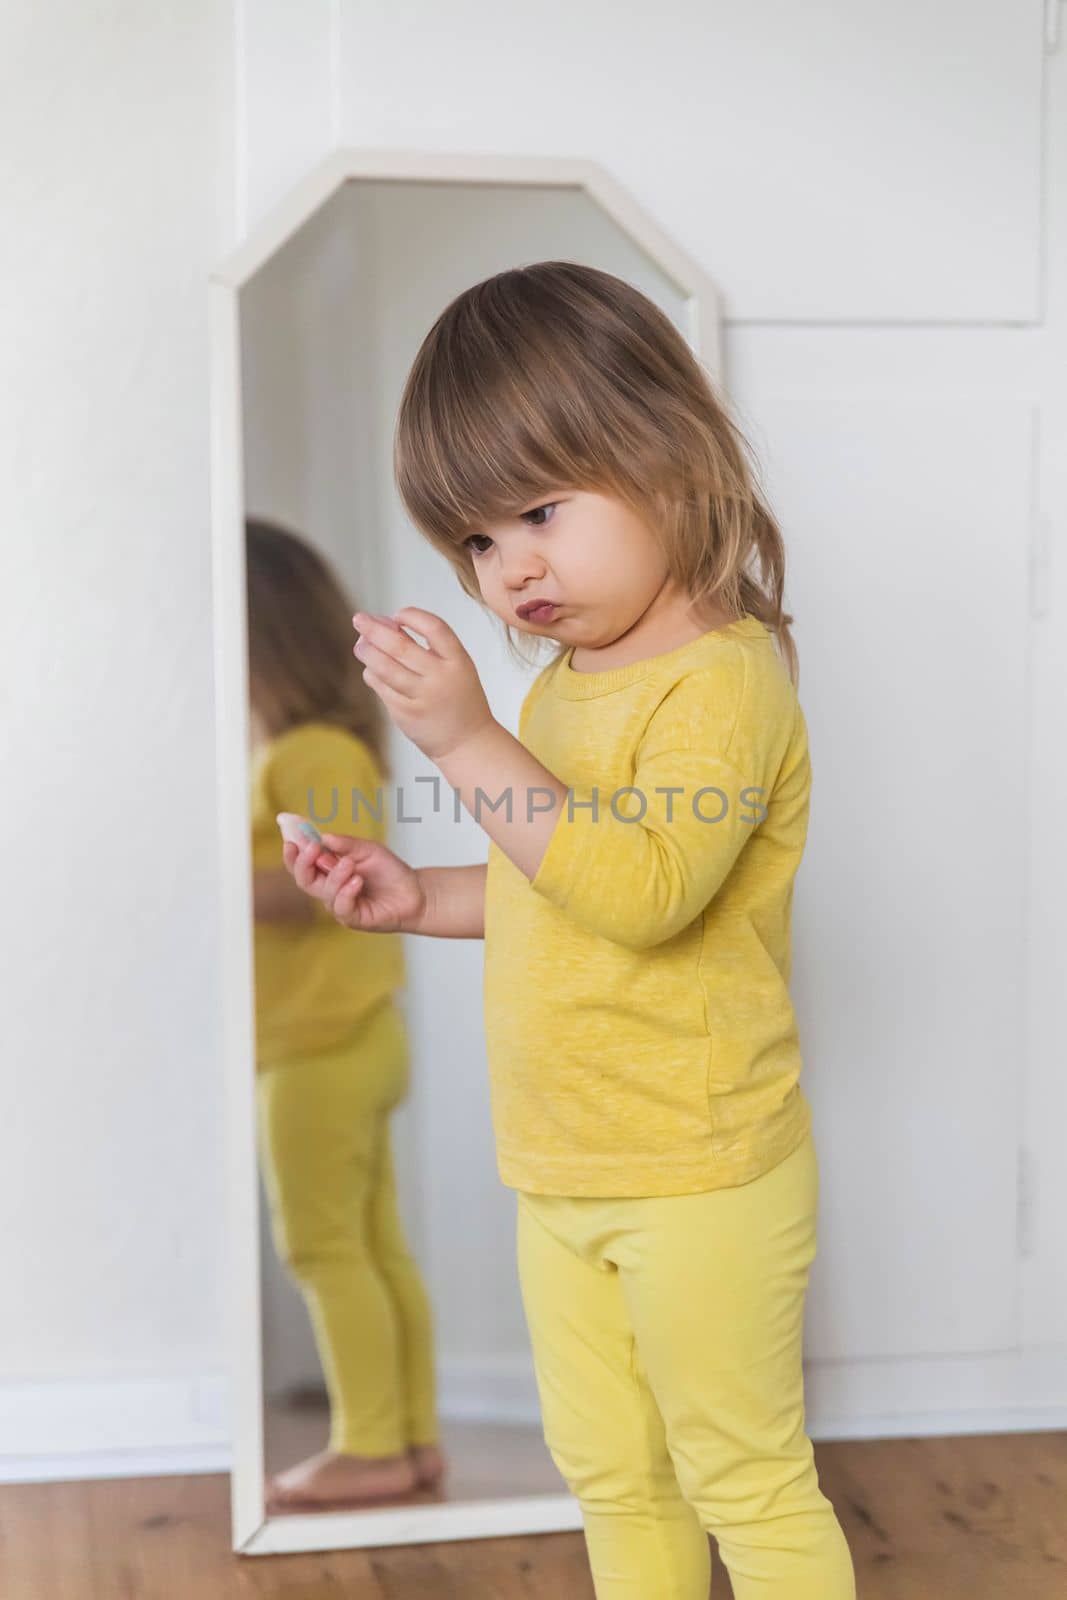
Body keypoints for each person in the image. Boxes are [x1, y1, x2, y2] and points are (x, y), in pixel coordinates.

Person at [281, 263, 856, 1596]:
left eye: (539, 510)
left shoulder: (723, 677)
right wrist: (421, 895)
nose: (511, 569)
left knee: (742, 1479)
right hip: (563, 1162)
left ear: (664, 453)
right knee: (613, 1472)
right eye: (476, 543)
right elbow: (558, 882)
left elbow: (644, 891)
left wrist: (466, 736)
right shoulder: (566, 686)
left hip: (697, 1170)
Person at [246, 518, 443, 1513]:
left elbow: (331, 871)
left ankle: (370, 1443)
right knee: (371, 1243)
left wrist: (212, 880)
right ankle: (406, 1440)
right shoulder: (311, 747)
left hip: (321, 1040)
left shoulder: (311, 749)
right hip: (351, 1033)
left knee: (321, 1247)